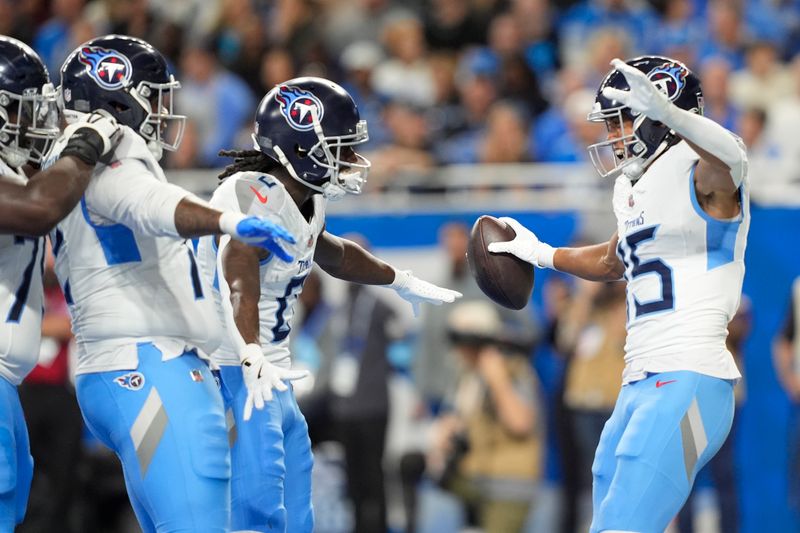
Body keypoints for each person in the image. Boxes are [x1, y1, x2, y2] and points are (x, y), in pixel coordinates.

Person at [489, 55, 749, 532]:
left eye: (620, 121)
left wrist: (674, 116)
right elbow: (615, 258)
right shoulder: (637, 186)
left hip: (688, 377)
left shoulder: (703, 171)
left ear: (658, 115)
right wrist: (544, 254)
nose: (611, 136)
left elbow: (731, 159)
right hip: (639, 383)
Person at [50, 34, 298, 533]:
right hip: (147, 365)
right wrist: (229, 222)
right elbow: (148, 204)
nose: (165, 110)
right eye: (155, 95)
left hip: (129, 364)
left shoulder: (76, 162)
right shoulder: (112, 154)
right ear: (117, 99)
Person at [196, 76, 462, 533]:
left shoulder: (305, 199)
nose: (349, 160)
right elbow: (238, 265)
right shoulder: (249, 192)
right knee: (255, 512)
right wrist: (250, 351)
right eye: (337, 147)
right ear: (300, 148)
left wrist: (399, 279)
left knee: (298, 511)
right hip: (234, 370)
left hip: (271, 373)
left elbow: (332, 253)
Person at [0, 36, 122, 530]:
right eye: (26, 112)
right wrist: (85, 145)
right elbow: (38, 208)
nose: (36, 124)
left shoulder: (13, 170)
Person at [420, 300, 542, 533]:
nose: (458, 351)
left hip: (509, 483)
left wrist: (497, 379)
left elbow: (521, 423)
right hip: (476, 475)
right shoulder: (468, 377)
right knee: (419, 471)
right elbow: (459, 420)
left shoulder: (514, 370)